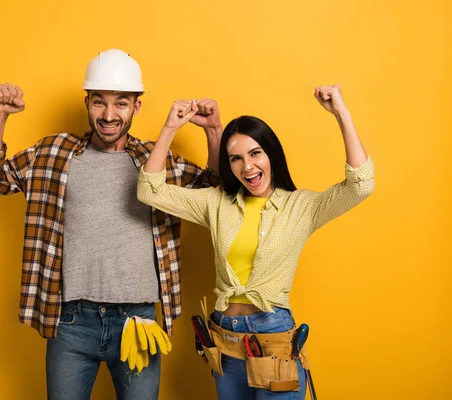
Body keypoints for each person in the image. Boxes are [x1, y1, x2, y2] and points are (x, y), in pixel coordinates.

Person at [0, 49, 223, 399]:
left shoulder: (155, 161)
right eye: (99, 102)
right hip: (72, 322)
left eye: (121, 103)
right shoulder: (54, 153)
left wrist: (213, 131)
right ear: (87, 102)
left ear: (136, 107)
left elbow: (217, 192)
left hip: (138, 321)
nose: (108, 115)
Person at [137, 84, 374, 399]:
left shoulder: (301, 207)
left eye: (255, 153)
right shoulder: (216, 203)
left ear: (271, 153)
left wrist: (341, 113)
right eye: (236, 158)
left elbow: (360, 185)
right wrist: (170, 127)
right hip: (224, 341)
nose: (247, 166)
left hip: (273, 341)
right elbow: (148, 190)